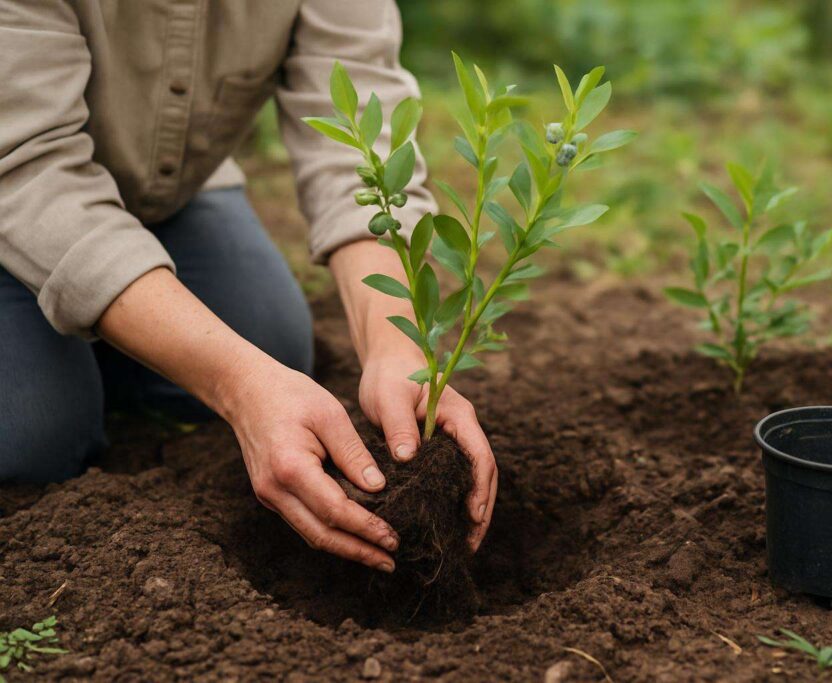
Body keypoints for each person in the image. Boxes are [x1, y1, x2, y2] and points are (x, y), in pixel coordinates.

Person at [0, 0, 497, 574]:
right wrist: (236, 383)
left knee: (272, 344)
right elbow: (27, 163)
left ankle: (99, 329)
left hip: (167, 185)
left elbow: (359, 140)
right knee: (33, 436)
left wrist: (397, 348)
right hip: (21, 181)